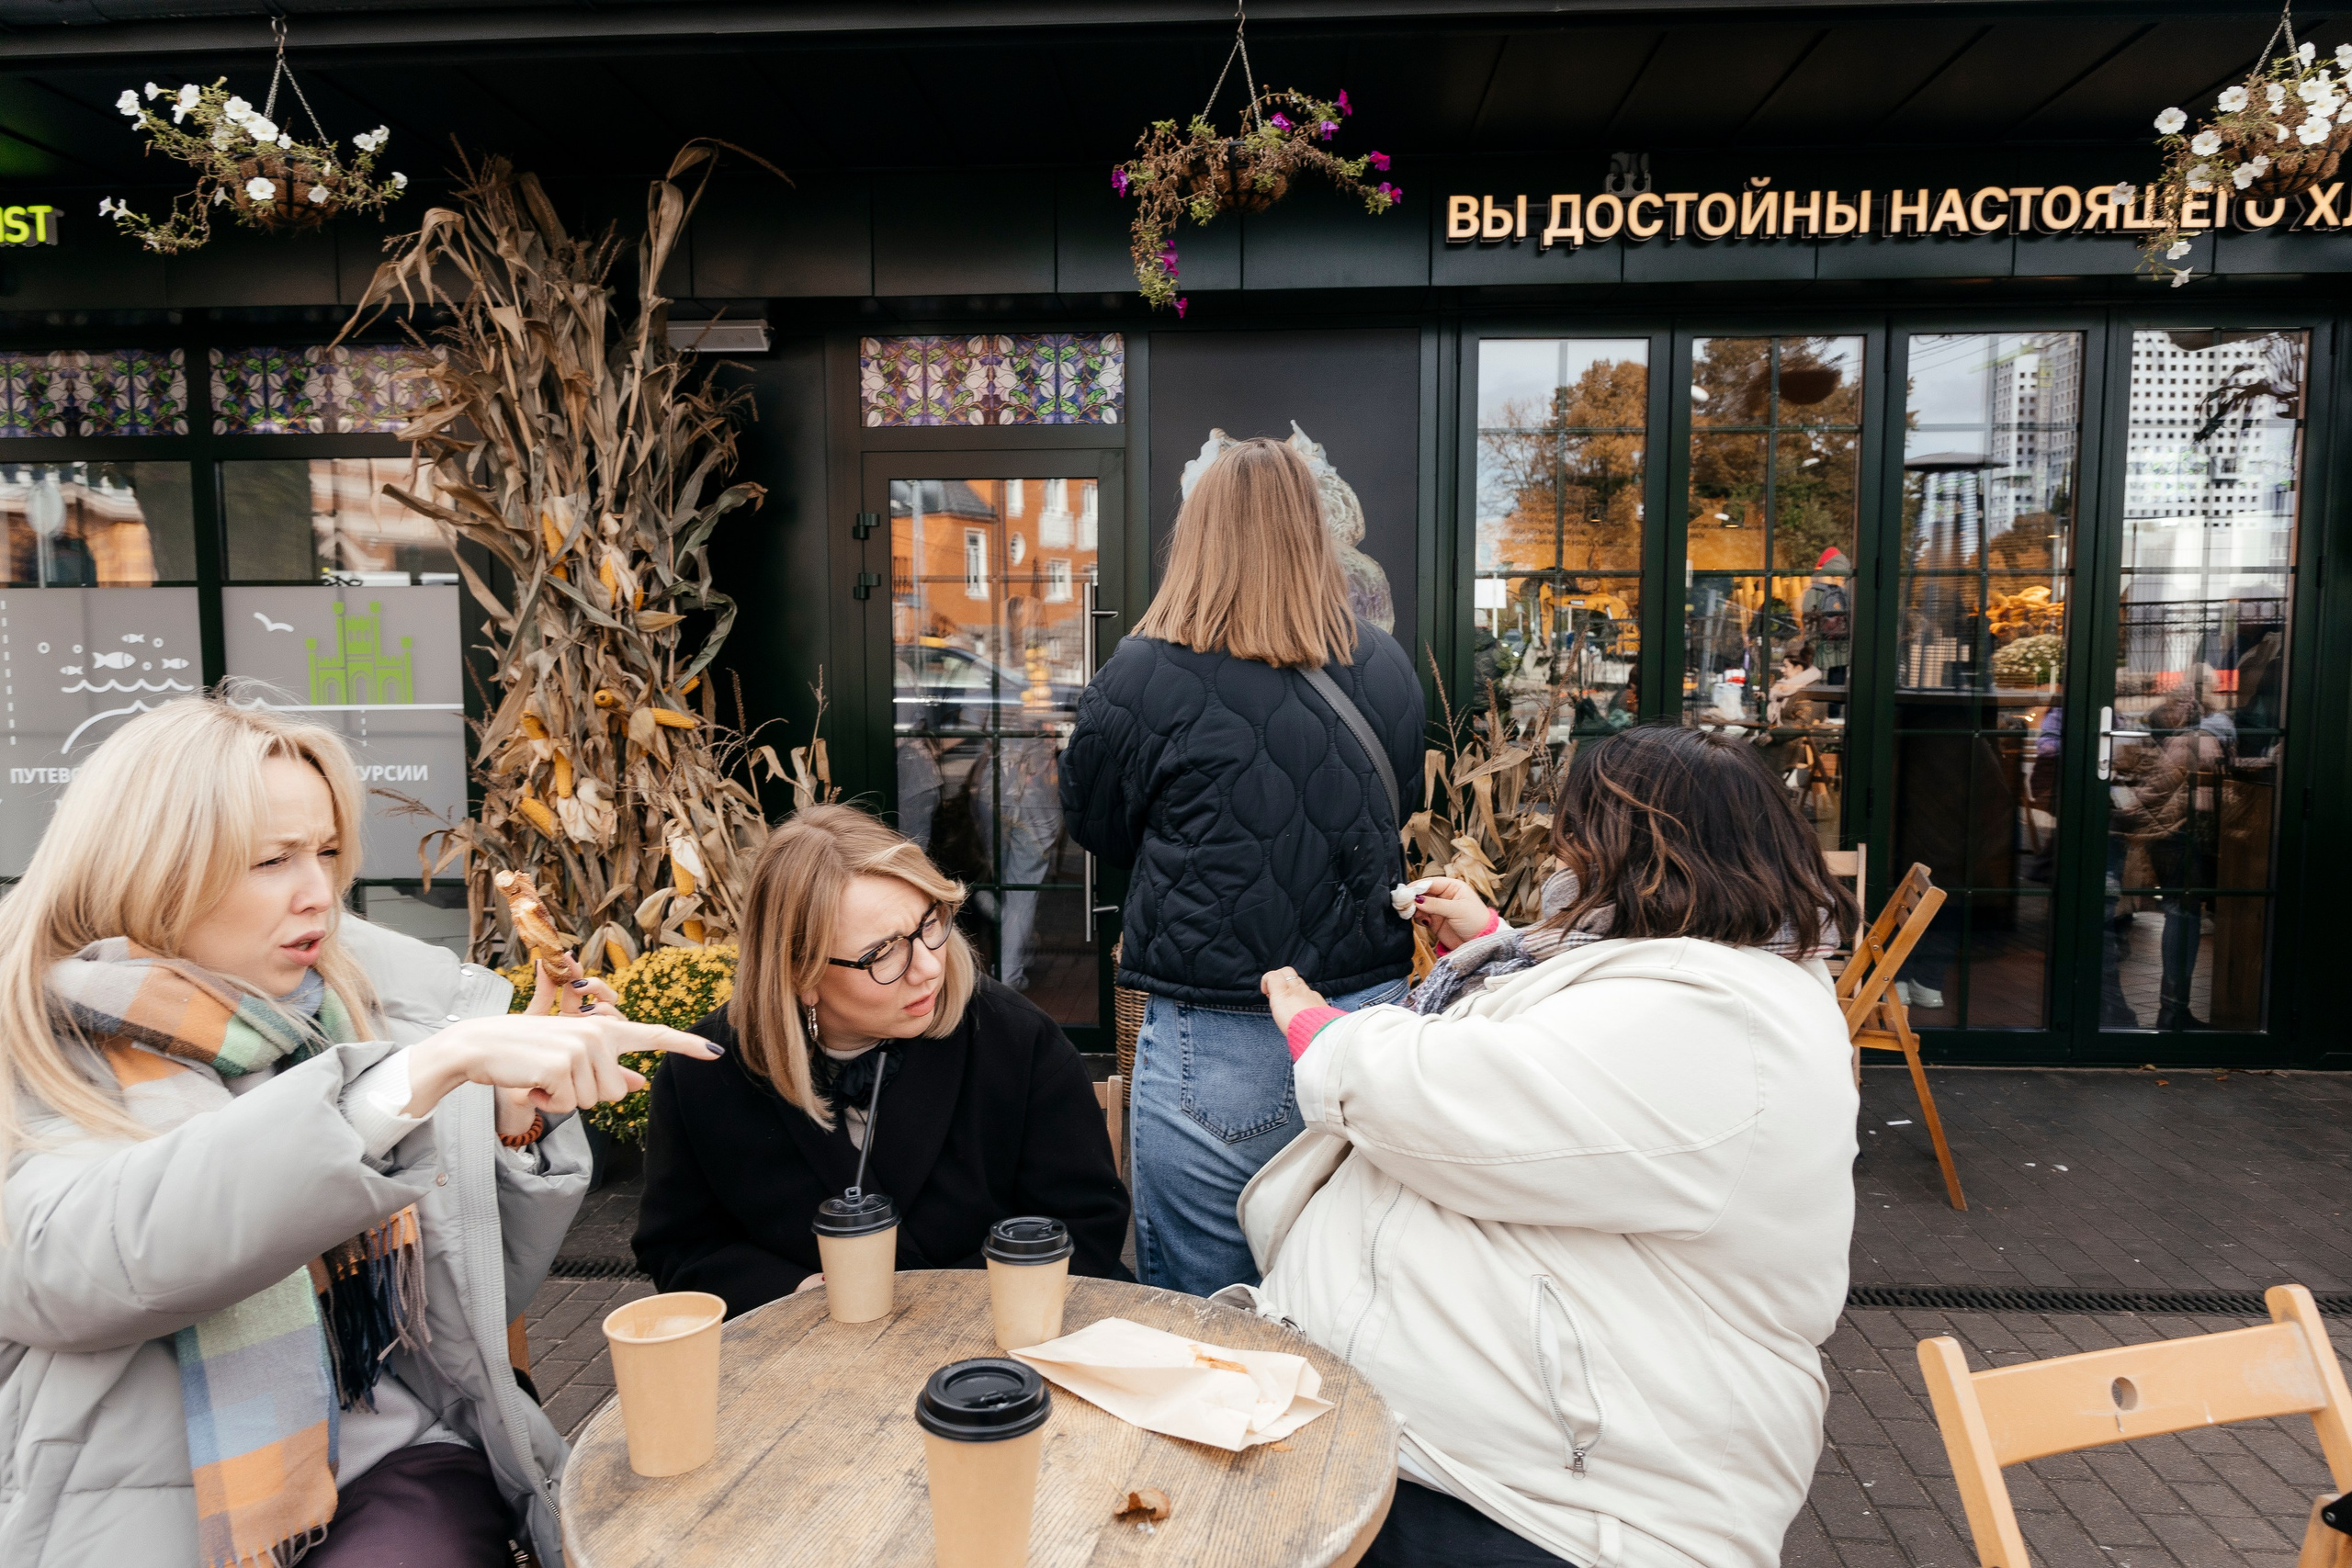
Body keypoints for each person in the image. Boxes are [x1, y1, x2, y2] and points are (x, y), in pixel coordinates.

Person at [0, 697, 716, 1568]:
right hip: (141, 1511)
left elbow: (470, 1318)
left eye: (328, 852)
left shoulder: (357, 1007)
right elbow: (79, 1263)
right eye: (272, 859)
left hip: (394, 1470)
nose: (318, 892)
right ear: (152, 867)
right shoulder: (38, 1038)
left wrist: (510, 1119)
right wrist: (404, 1085)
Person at [1246, 723, 1861, 1568]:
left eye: (1576, 832)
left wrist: (1321, 1031)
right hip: (1499, 1460)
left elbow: (1447, 1100)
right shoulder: (1719, 978)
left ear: (1633, 849)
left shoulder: (1721, 1021)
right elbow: (1582, 1056)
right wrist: (1497, 943)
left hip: (1544, 1506)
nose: (1563, 851)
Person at [1059, 435, 1425, 1298]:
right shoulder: (1387, 667)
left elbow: (1098, 825)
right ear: (1315, 534)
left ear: (1197, 538)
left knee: (1202, 1317)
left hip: (1213, 1038)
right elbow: (1395, 806)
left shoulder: (1143, 672)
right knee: (1352, 1303)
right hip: (1363, 1025)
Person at [632, 804, 1129, 1313]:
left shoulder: (1013, 1036)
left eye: (927, 924)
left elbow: (1087, 1225)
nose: (928, 968)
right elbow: (679, 1249)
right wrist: (795, 1297)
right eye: (882, 954)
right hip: (807, 1364)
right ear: (798, 975)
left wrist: (919, 1308)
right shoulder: (703, 1070)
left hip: (1005, 1347)